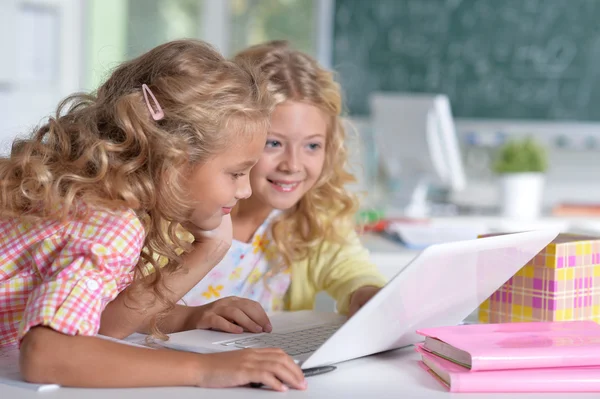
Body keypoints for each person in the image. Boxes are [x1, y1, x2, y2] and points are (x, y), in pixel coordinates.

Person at [0, 39, 305, 392]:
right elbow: (47, 354)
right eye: (236, 173)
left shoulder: (101, 200)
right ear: (175, 163)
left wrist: (210, 248)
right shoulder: (112, 223)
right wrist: (205, 370)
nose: (246, 191)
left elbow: (103, 324)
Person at [179, 41, 387, 334]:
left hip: (255, 369)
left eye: (312, 145)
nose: (292, 164)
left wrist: (366, 292)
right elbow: (120, 308)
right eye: (273, 143)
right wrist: (191, 317)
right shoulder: (180, 214)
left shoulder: (310, 216)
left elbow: (352, 270)